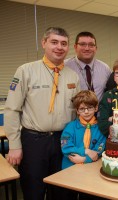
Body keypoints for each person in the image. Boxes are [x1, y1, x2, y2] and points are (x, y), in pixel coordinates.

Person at [4, 27, 80, 200]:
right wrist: (14, 145)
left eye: (63, 43)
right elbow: (12, 109)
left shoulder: (73, 76)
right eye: (54, 42)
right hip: (34, 142)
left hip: (63, 141)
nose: (59, 47)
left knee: (62, 190)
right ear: (44, 43)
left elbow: (78, 111)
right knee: (33, 190)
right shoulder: (26, 71)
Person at [61, 90, 106, 200]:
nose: (86, 112)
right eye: (82, 109)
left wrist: (83, 159)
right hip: (69, 170)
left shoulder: (100, 128)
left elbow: (97, 153)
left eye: (90, 108)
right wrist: (86, 151)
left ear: (96, 108)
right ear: (77, 110)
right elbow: (66, 148)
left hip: (90, 172)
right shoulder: (70, 127)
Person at [65, 31, 111, 103]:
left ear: (96, 48)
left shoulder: (105, 69)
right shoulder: (65, 66)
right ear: (75, 47)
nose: (87, 48)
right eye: (83, 44)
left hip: (100, 114)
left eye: (91, 45)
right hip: (74, 113)